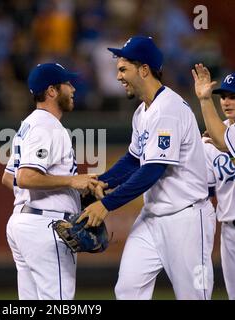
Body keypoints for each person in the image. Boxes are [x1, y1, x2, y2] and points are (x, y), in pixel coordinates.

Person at [77, 36, 216, 299]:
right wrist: (102, 182)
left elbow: (153, 169)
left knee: (194, 295)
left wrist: (107, 204)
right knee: (128, 289)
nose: (118, 76)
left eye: (123, 69)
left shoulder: (168, 109)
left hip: (186, 218)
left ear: (143, 69)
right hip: (152, 217)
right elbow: (133, 159)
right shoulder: (142, 112)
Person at [1, 63, 98, 300]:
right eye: (68, 83)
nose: (73, 88)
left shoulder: (29, 124)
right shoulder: (47, 126)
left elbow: (8, 178)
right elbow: (25, 177)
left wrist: (72, 191)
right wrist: (72, 182)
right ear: (52, 91)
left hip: (25, 223)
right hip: (44, 226)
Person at [193, 70, 235, 299]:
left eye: (234, 96)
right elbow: (206, 188)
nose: (227, 102)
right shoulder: (210, 140)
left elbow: (222, 140)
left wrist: (205, 99)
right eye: (224, 96)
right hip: (229, 229)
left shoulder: (218, 136)